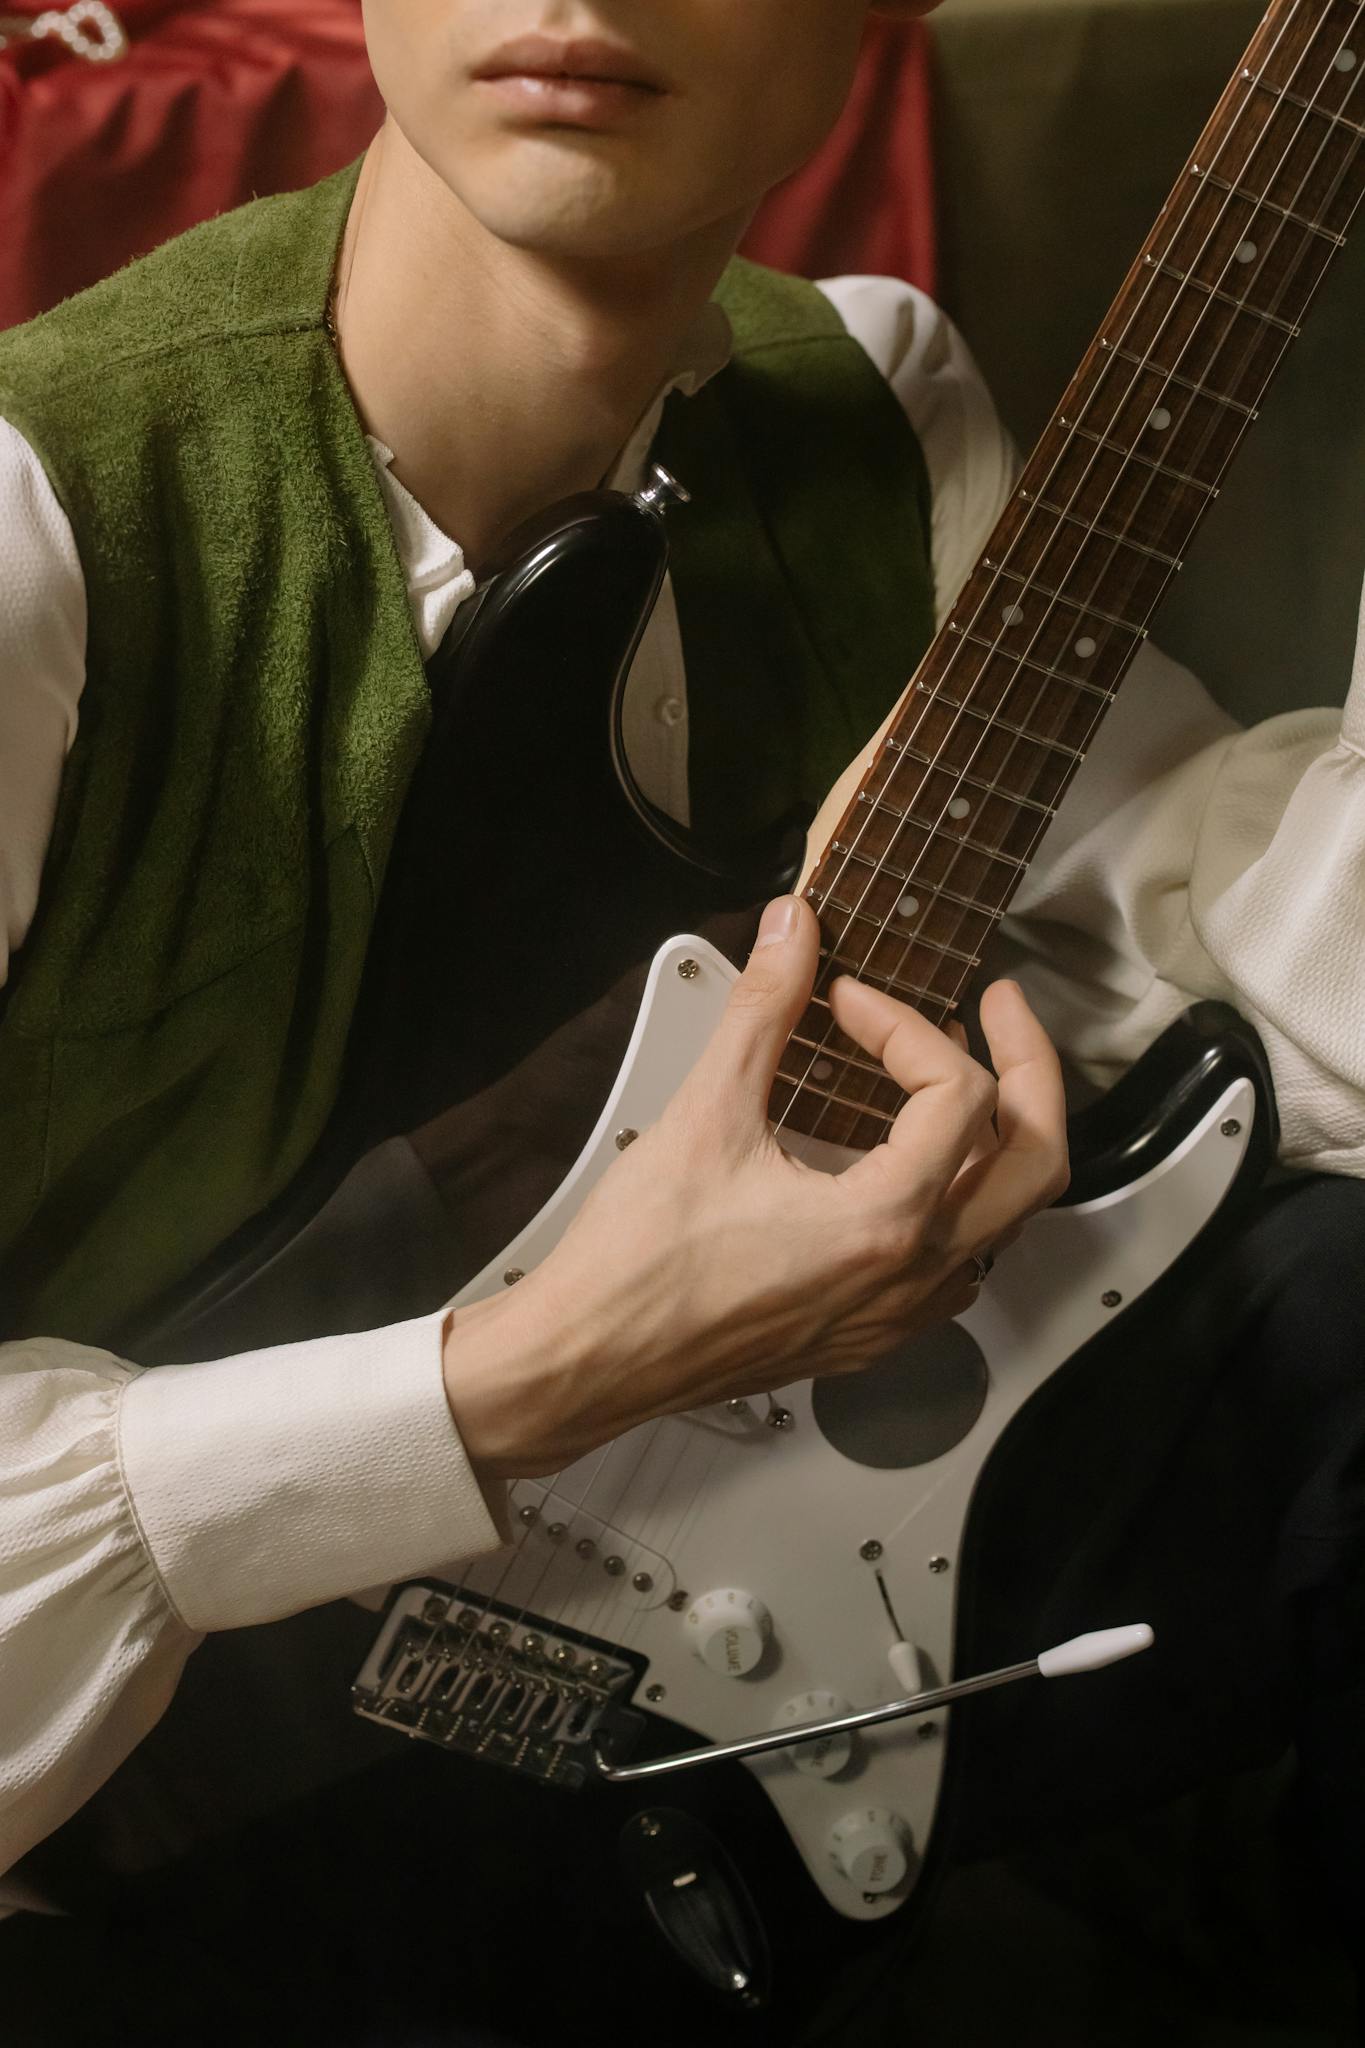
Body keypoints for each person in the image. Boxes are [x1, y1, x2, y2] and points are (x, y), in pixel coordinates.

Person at [0, 0, 1360, 2040]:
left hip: (771, 1643)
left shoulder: (868, 407)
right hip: (154, 1792)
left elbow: (1240, 975)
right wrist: (521, 1374)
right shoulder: (39, 545)